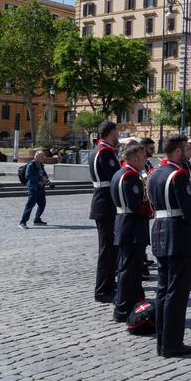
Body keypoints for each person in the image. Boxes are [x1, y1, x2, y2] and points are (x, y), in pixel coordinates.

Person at [149, 133, 191, 358]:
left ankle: (162, 341)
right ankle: (172, 344)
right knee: (177, 292)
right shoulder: (178, 175)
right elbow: (189, 212)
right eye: (186, 148)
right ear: (178, 151)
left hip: (159, 230)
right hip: (177, 234)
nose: (188, 151)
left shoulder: (154, 173)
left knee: (162, 290)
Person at [111, 144, 152, 322]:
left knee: (127, 267)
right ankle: (124, 307)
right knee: (130, 270)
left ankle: (131, 302)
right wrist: (150, 207)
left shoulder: (119, 173)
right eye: (143, 157)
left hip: (124, 223)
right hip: (132, 225)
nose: (145, 160)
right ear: (134, 159)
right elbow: (136, 205)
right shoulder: (130, 176)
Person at [89, 121, 122, 303]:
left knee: (110, 248)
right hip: (106, 203)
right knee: (107, 250)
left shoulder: (98, 150)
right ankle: (102, 290)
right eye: (116, 132)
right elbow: (116, 177)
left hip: (103, 202)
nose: (118, 135)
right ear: (110, 133)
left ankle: (109, 285)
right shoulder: (106, 152)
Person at [18, 151, 49, 229]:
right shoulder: (31, 165)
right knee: (30, 205)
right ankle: (22, 222)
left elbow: (44, 175)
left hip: (41, 188)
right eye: (41, 156)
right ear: (36, 156)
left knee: (42, 204)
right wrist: (39, 178)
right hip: (33, 188)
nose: (43, 158)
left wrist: (46, 180)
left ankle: (37, 220)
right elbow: (27, 176)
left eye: (43, 156)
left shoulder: (41, 165)